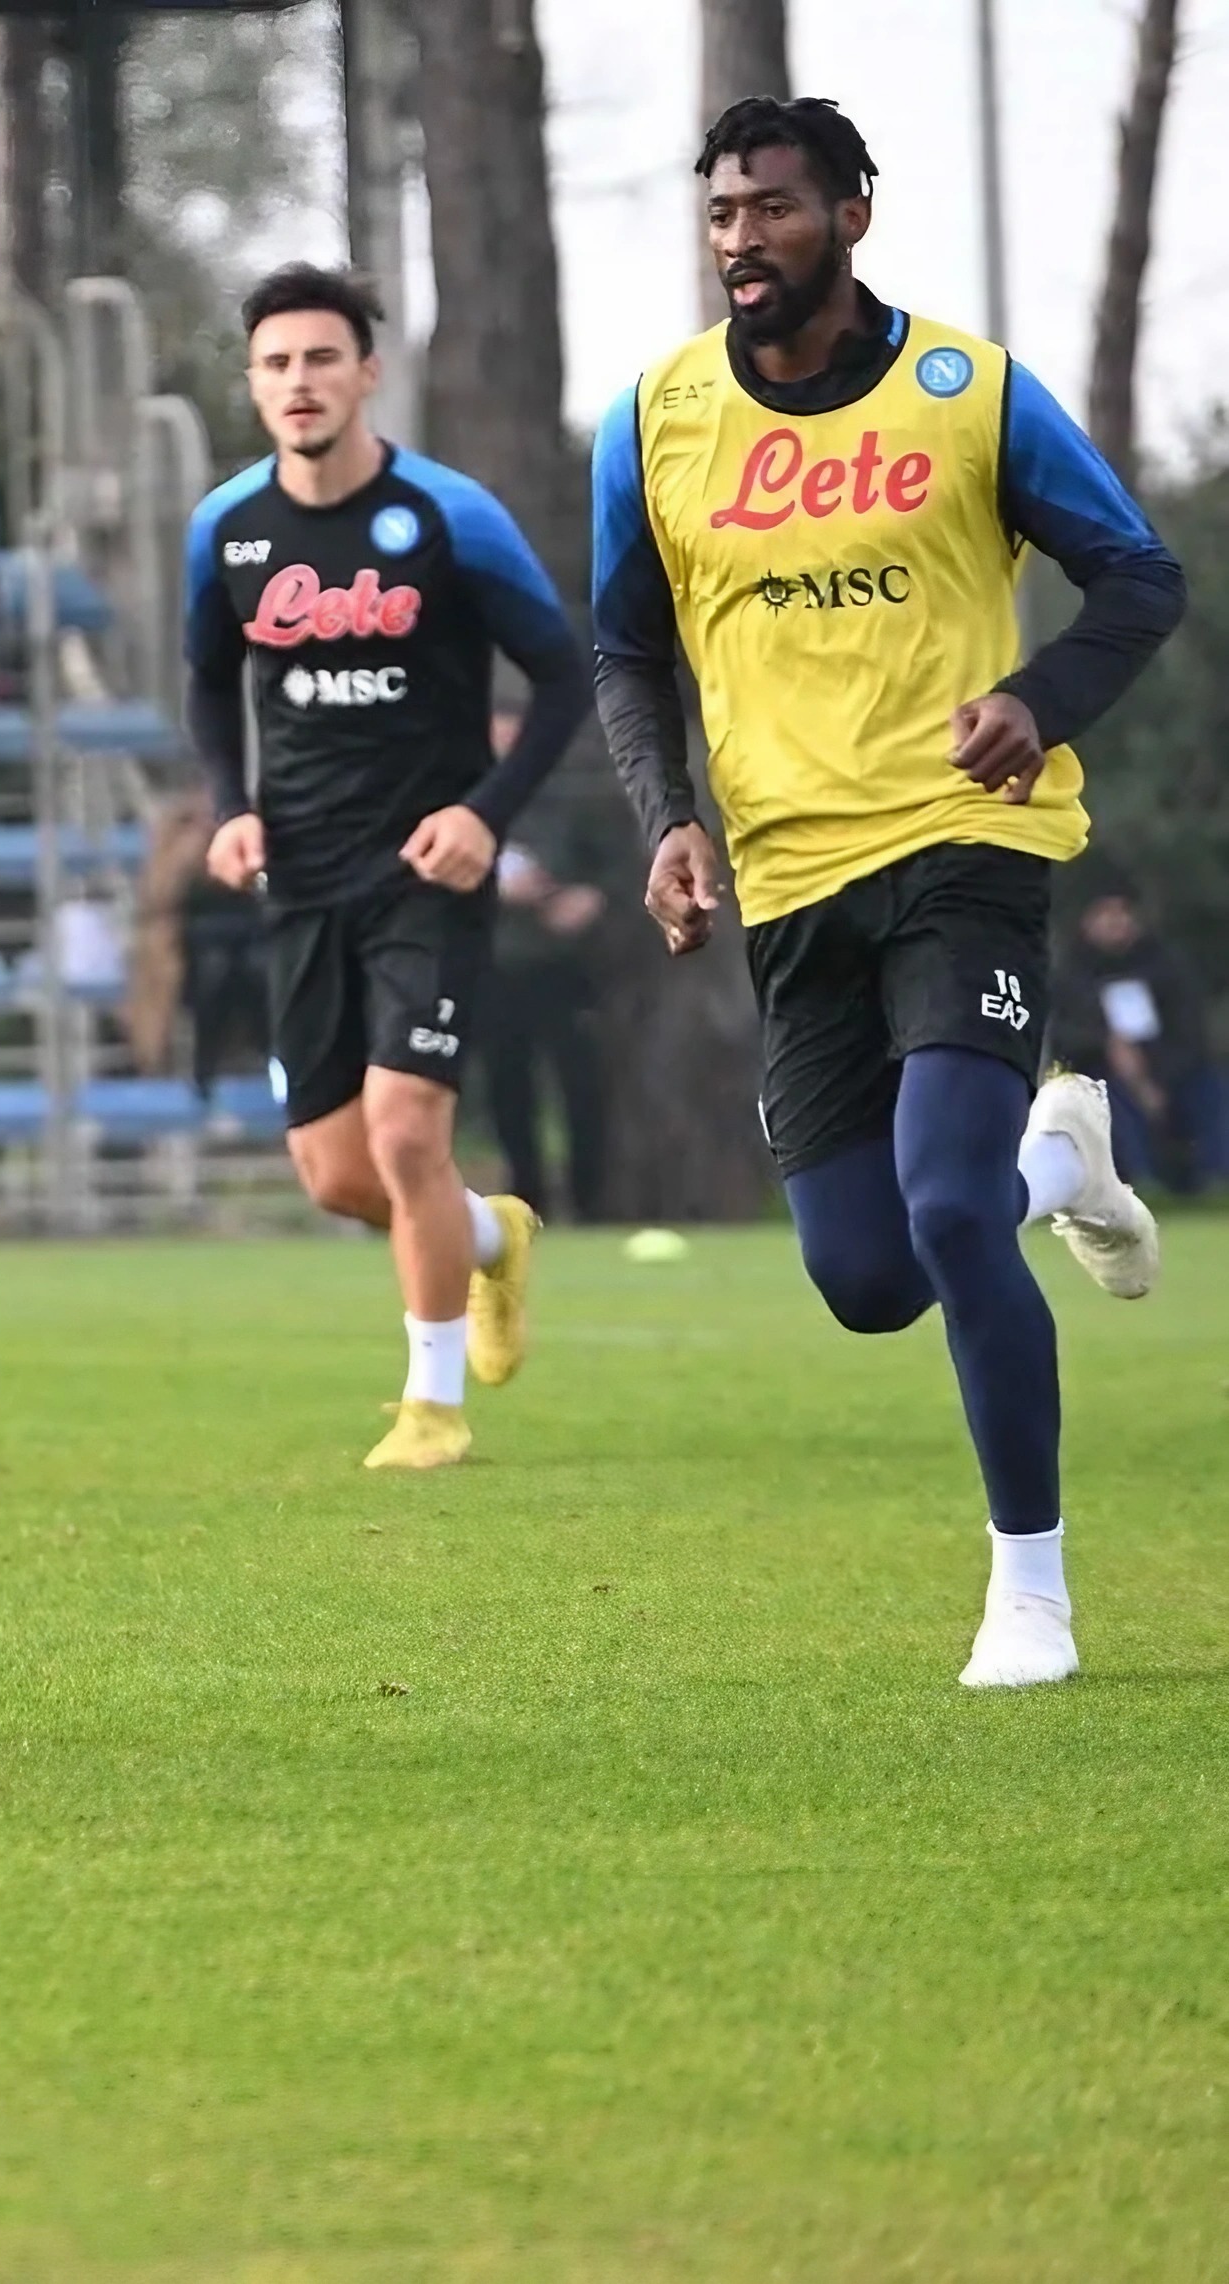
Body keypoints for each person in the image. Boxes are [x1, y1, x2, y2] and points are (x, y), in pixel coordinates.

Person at [591, 96, 1186, 1688]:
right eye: (722, 213)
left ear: (851, 215)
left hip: (966, 847)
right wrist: (669, 821)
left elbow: (1141, 576)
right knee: (867, 1278)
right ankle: (1061, 1166)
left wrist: (1039, 701)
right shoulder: (654, 418)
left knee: (939, 1204)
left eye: (773, 210)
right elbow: (628, 652)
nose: (741, 241)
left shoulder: (967, 391)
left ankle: (1032, 1592)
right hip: (791, 880)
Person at [184, 263, 591, 1470]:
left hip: (427, 873)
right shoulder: (226, 526)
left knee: (407, 1127)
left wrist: (486, 815)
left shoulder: (451, 515)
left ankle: (430, 1402)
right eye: (275, 363)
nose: (298, 382)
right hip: (299, 877)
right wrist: (228, 806)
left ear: (368, 372)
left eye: (321, 358)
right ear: (252, 384)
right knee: (333, 1171)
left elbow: (562, 678)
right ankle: (485, 1236)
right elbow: (210, 680)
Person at [1053, 889, 1224, 1194]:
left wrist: (1154, 1079)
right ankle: (1139, 1183)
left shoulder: (1165, 966)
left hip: (1169, 1068)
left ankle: (1216, 1178)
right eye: (1105, 914)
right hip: (1103, 1071)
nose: (1115, 922)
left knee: (1211, 1090)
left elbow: (1189, 1030)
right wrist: (1108, 1047)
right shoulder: (1072, 975)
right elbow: (1065, 1036)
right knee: (1108, 1103)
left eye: (1121, 913)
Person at [486, 839, 609, 1224]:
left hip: (565, 971)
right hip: (494, 973)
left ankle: (588, 1202)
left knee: (581, 1088)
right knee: (508, 1092)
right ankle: (525, 1202)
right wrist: (493, 889)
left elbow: (613, 864)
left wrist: (591, 896)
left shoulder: (565, 800)